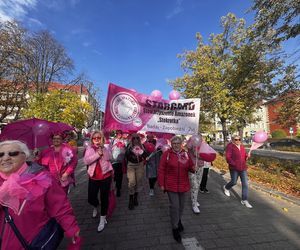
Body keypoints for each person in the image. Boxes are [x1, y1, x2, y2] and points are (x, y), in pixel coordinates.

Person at [0, 140, 80, 250]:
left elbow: (60, 207)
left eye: (13, 153)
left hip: (34, 243)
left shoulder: (42, 178)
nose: (5, 158)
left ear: (25, 156)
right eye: (1, 154)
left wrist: (71, 229)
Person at [158, 136, 195, 243]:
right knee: (175, 206)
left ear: (181, 144)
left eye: (178, 143)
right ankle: (175, 228)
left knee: (181, 206)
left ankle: (178, 221)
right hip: (171, 185)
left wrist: (193, 168)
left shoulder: (186, 154)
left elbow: (190, 167)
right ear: (171, 144)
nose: (176, 145)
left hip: (183, 185)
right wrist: (161, 184)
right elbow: (161, 170)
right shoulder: (167, 155)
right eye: (174, 143)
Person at [83, 130, 114, 232]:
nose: (96, 140)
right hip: (94, 177)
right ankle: (95, 205)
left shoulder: (105, 148)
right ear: (92, 139)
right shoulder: (89, 149)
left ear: (102, 139)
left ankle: (102, 218)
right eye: (94, 138)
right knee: (91, 197)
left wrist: (103, 150)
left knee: (104, 198)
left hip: (106, 176)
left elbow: (110, 157)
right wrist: (97, 154)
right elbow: (86, 161)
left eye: (99, 138)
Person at [223, 135, 253, 208]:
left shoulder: (242, 146)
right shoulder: (230, 146)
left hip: (243, 168)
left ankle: (244, 200)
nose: (238, 141)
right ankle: (226, 187)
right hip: (234, 168)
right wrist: (234, 164)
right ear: (233, 140)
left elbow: (244, 156)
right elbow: (228, 158)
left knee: (245, 183)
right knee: (234, 182)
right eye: (236, 140)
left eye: (239, 139)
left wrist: (247, 156)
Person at [125, 133, 148, 210]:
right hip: (131, 165)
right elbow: (126, 156)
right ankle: (131, 199)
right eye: (134, 138)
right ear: (132, 139)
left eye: (137, 138)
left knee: (138, 182)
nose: (135, 140)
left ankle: (135, 197)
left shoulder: (142, 146)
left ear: (139, 139)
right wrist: (132, 152)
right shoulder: (129, 146)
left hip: (140, 165)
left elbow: (146, 156)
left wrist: (141, 152)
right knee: (132, 182)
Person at [188, 143, 204, 214]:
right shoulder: (190, 143)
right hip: (193, 167)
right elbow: (195, 154)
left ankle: (194, 199)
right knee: (195, 186)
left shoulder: (202, 144)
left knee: (198, 184)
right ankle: (194, 204)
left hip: (200, 166)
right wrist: (204, 156)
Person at [110, 130, 127, 197]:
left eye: (120, 133)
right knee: (114, 175)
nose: (119, 134)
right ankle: (115, 186)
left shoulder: (124, 141)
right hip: (113, 160)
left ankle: (118, 189)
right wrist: (115, 145)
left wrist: (123, 146)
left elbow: (126, 149)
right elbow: (110, 148)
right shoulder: (113, 140)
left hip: (121, 161)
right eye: (117, 133)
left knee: (119, 175)